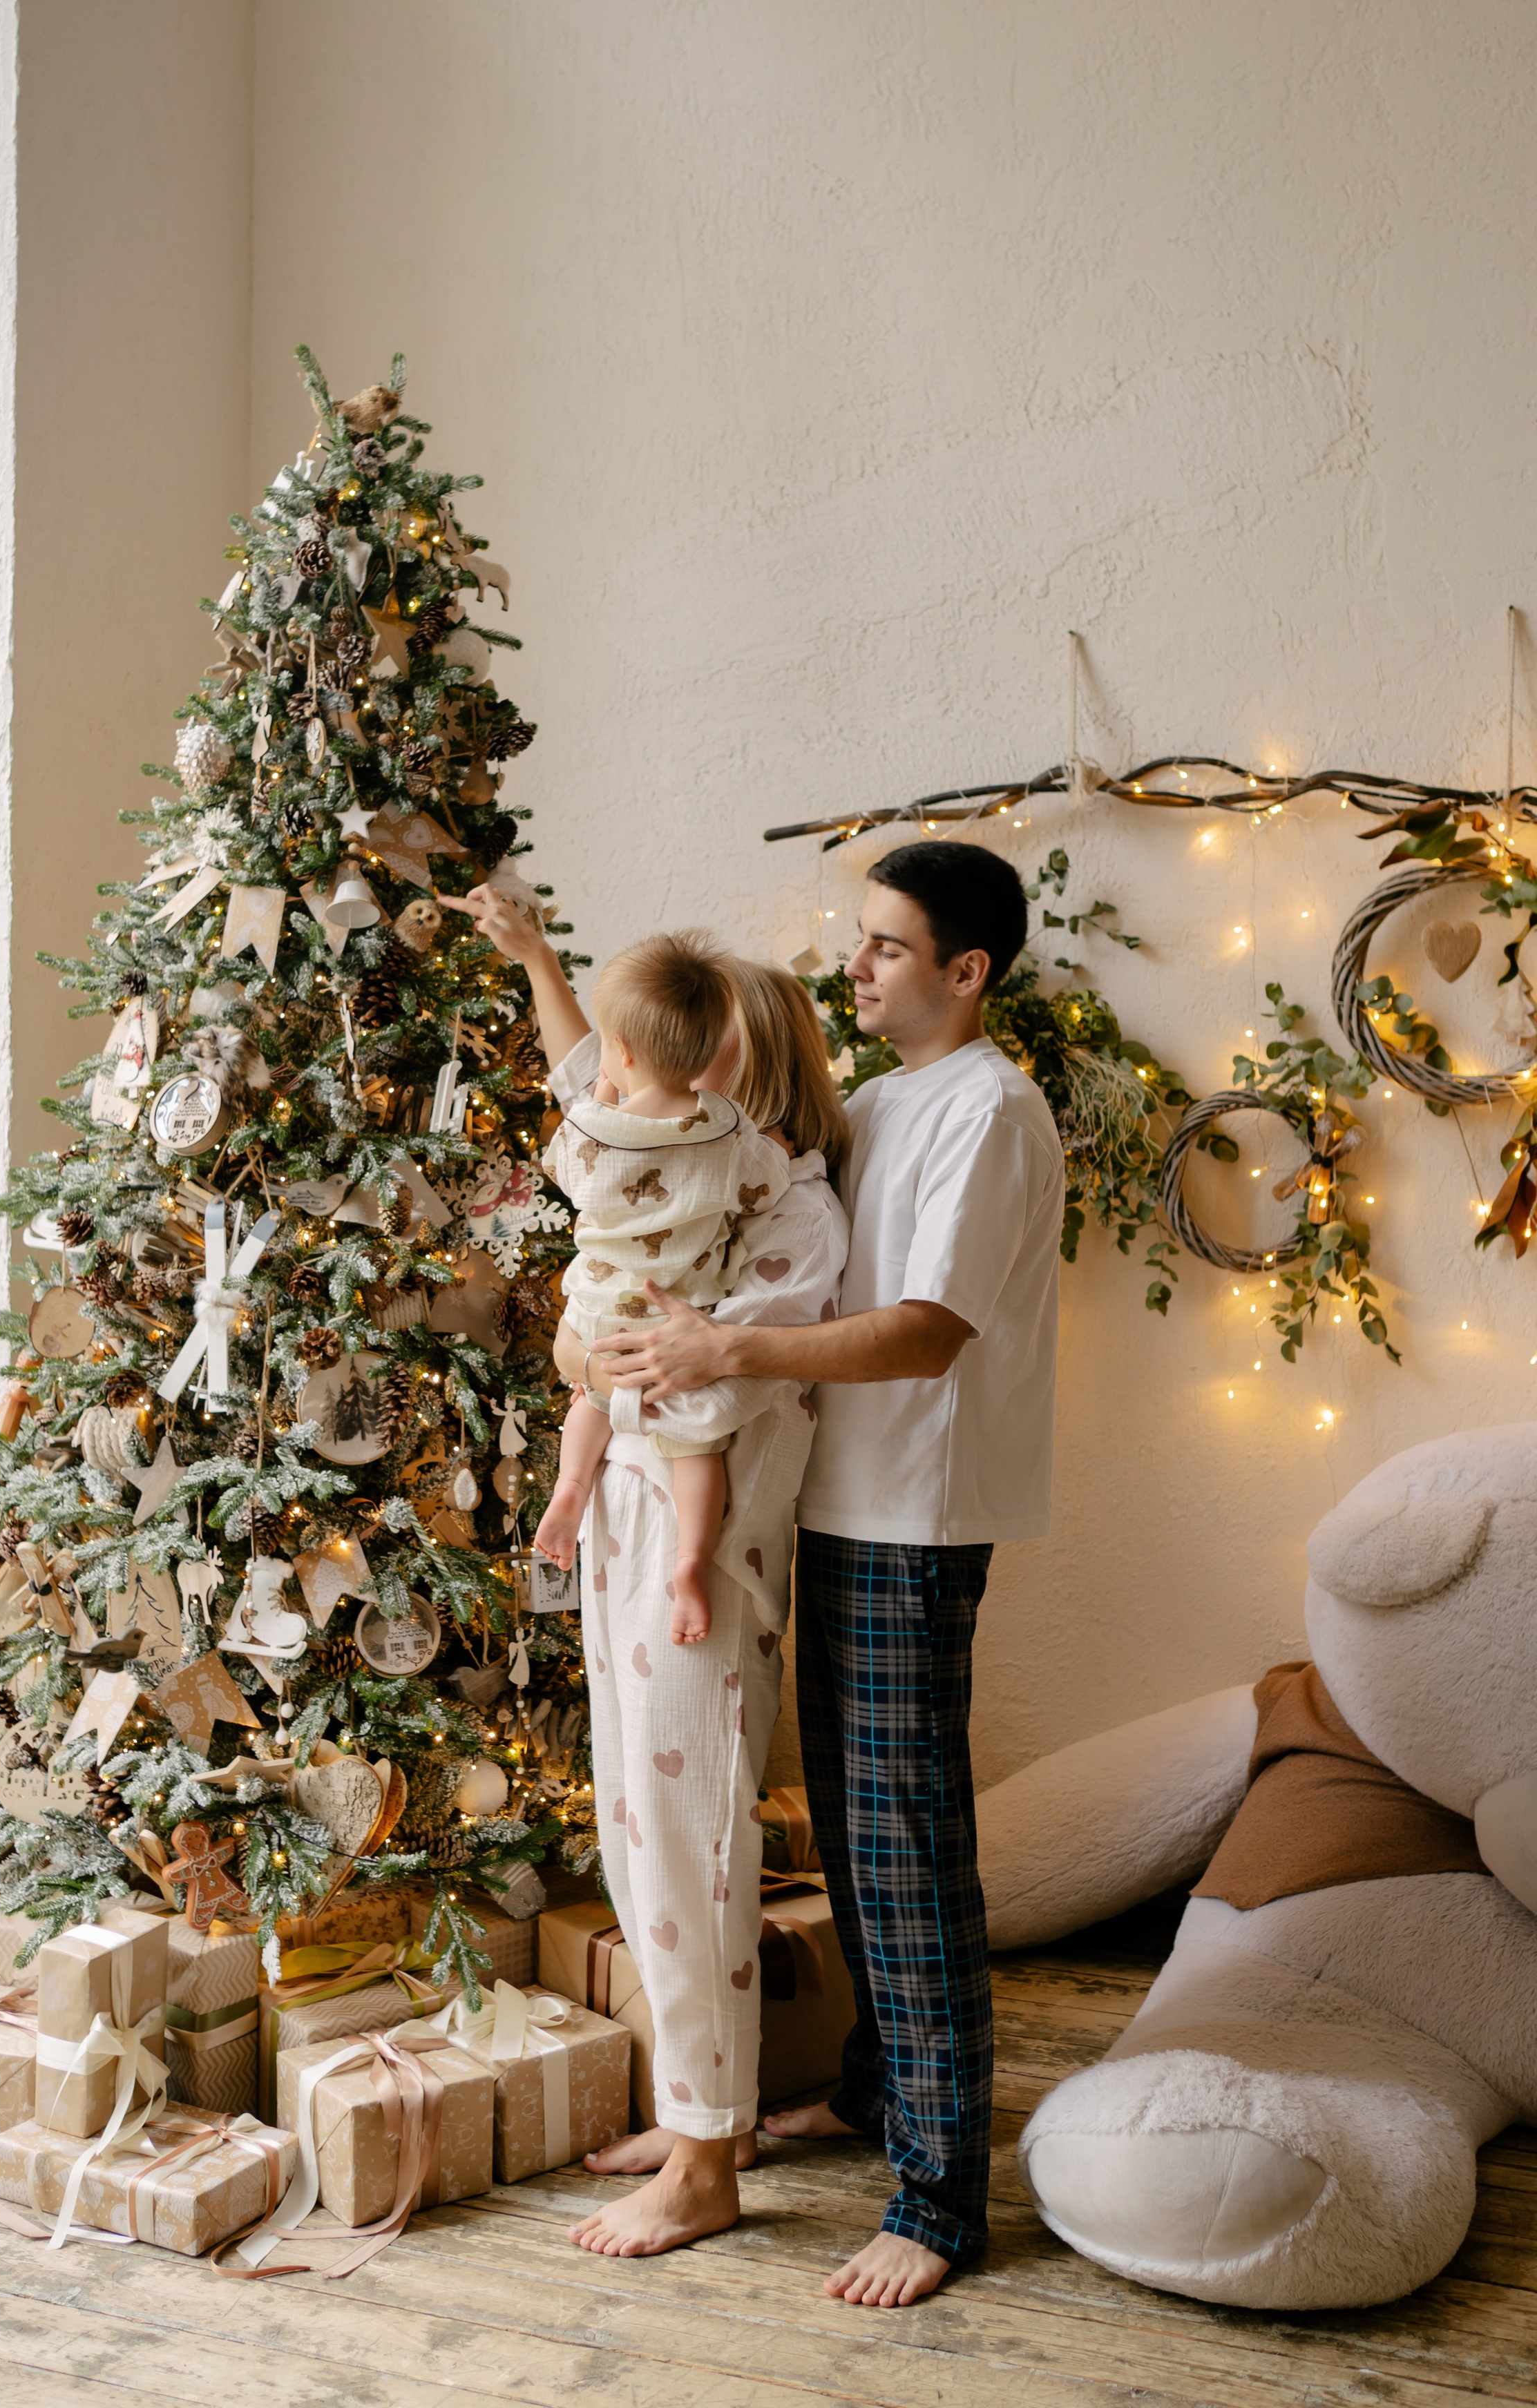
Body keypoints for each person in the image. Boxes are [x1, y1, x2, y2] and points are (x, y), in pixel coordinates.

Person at [592, 840, 1065, 2309]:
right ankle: (870, 2096)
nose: (852, 966)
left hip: (913, 1518)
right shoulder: (878, 1099)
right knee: (857, 1839)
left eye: (885, 947)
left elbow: (927, 1330)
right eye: (858, 941)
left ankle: (936, 2200)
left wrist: (720, 1347)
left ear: (965, 972)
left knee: (903, 1850)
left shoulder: (988, 1111)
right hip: (842, 1505)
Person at [445, 885, 848, 2258]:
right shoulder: (674, 1166)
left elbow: (707, 1383)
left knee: (687, 1846)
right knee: (635, 1832)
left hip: (703, 1564)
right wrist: (533, 956)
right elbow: (588, 1077)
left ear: (741, 1075)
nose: (645, 1088)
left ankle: (705, 2160)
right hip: (625, 1530)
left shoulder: (786, 1207)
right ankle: (700, 2122)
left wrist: (597, 1358)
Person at [535, 932, 789, 1646]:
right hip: (681, 1319)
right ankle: (690, 1562)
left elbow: (562, 1171)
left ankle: (569, 1489)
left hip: (597, 1310)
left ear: (620, 1051)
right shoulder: (728, 1129)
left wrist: (603, 1098)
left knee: (591, 1398)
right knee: (694, 1447)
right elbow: (764, 1189)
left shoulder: (591, 1129)